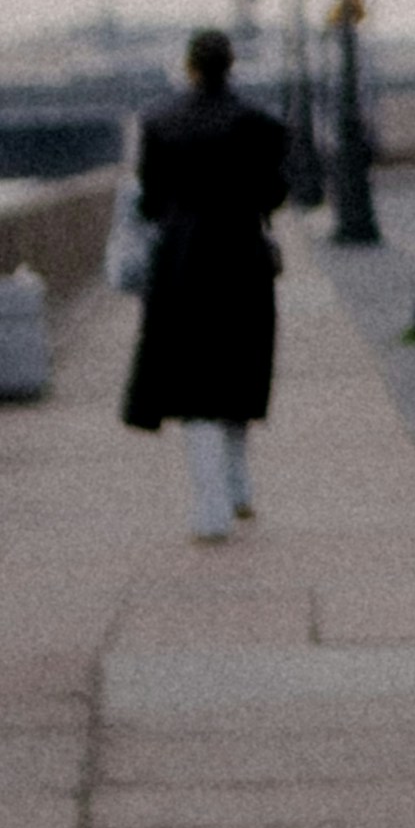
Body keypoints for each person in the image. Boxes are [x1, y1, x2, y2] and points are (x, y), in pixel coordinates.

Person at [120, 27, 293, 540]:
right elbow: (275, 193)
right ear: (230, 66)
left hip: (183, 262)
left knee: (194, 384)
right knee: (238, 370)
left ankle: (211, 505)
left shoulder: (158, 121)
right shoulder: (259, 124)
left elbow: (149, 200)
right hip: (241, 256)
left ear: (190, 67)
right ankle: (239, 485)